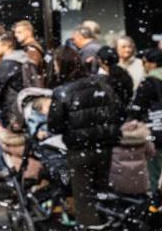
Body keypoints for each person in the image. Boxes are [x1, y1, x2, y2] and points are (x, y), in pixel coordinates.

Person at [47, 47, 121, 227]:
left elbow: (54, 125)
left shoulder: (62, 92)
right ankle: (107, 223)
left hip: (79, 149)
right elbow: (119, 112)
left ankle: (92, 226)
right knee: (101, 192)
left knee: (83, 198)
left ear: (61, 65)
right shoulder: (102, 84)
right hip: (105, 146)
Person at [0, 31, 39, 132]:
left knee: (10, 139)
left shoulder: (8, 64)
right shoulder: (25, 59)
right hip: (27, 106)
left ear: (7, 45)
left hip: (12, 109)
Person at [130, 48, 162, 191]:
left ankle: (157, 206)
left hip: (156, 132)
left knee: (154, 172)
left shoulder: (148, 83)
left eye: (144, 62)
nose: (143, 66)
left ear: (152, 64)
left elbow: (137, 109)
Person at [108, 119, 156, 196]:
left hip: (119, 179)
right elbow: (151, 152)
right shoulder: (145, 140)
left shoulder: (117, 138)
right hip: (140, 180)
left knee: (121, 196)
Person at [97, 46, 134, 120]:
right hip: (123, 114)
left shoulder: (101, 78)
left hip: (109, 116)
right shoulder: (123, 73)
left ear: (101, 60)